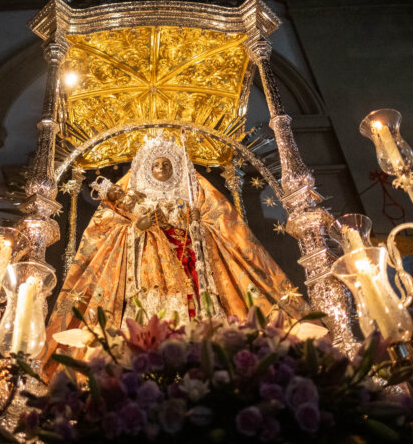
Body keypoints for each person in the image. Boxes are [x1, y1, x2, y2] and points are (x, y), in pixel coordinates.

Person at [43, 132, 306, 364]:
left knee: (195, 308)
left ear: (176, 167)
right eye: (155, 164)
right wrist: (141, 225)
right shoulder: (133, 193)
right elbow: (113, 233)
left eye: (166, 163)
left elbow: (220, 225)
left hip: (190, 262)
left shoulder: (195, 191)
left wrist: (196, 226)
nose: (160, 167)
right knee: (151, 308)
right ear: (146, 167)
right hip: (148, 268)